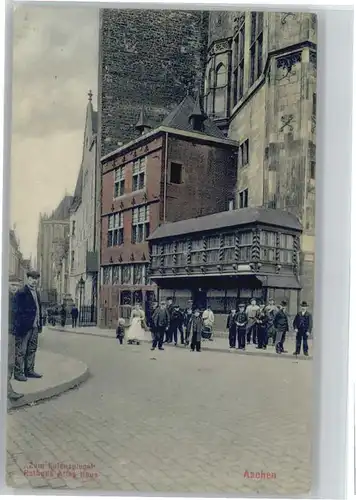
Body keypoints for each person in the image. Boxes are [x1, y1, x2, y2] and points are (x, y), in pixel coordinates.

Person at [14, 270, 43, 381]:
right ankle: (18, 373)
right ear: (28, 279)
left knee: (32, 349)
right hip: (25, 327)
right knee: (21, 350)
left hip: (35, 326)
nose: (34, 281)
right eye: (32, 279)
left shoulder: (37, 293)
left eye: (36, 279)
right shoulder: (21, 292)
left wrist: (39, 324)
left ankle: (29, 371)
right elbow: (17, 311)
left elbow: (38, 309)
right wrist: (21, 325)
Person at [8, 278, 24, 402]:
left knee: (10, 362)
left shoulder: (15, 298)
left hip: (12, 332)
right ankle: (8, 391)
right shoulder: (6, 298)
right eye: (12, 285)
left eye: (17, 286)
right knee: (8, 362)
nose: (14, 287)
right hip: (7, 333)